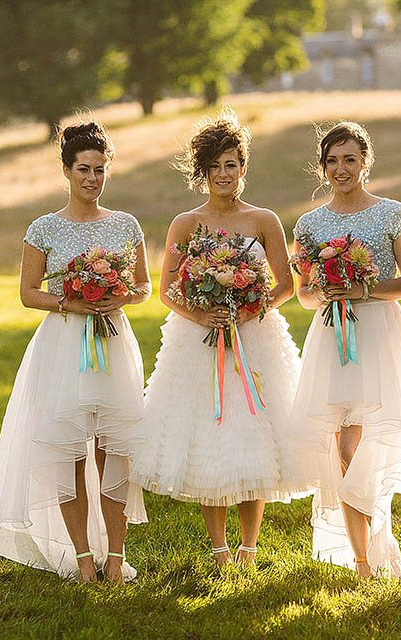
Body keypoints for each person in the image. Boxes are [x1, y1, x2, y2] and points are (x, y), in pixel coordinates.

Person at [0, 121, 151, 585]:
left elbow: (145, 285)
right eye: (84, 169)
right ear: (67, 170)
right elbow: (29, 293)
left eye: (100, 169)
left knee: (115, 451)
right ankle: (84, 559)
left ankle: (115, 556)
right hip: (65, 344)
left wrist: (122, 297)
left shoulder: (126, 224)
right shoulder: (43, 228)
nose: (92, 178)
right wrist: (71, 300)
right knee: (70, 451)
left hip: (112, 341)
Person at [127, 109, 308, 567]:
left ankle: (249, 547)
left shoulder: (264, 220)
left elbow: (285, 285)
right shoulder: (185, 224)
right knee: (210, 435)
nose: (223, 174)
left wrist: (251, 308)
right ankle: (219, 549)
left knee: (255, 436)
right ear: (201, 172)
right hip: (200, 341)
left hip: (254, 338)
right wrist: (201, 313)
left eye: (231, 164)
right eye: (214, 167)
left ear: (243, 168)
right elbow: (167, 289)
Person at [289, 122, 401, 579]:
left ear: (365, 162)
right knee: (342, 449)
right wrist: (328, 291)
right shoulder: (310, 224)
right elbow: (304, 294)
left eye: (350, 159)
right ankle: (363, 560)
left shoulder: (392, 213)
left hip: (379, 335)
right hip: (332, 337)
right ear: (322, 167)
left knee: (367, 445)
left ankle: (376, 540)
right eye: (332, 161)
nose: (341, 169)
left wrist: (359, 288)